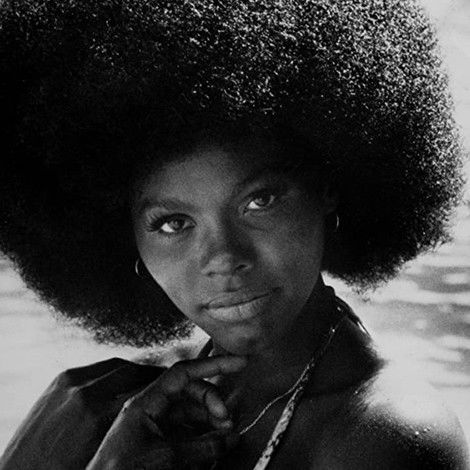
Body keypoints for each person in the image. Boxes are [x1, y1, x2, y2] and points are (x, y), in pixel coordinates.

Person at [0, 0, 468, 468]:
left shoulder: (386, 437)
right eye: (173, 223)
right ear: (126, 237)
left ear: (326, 187)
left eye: (259, 201)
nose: (223, 257)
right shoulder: (120, 406)